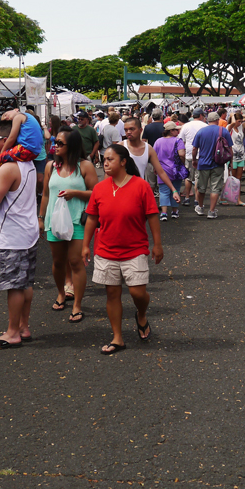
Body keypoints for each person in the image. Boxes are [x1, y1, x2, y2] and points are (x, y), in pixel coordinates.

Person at [82, 144, 163, 354]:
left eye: (110, 159)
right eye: (104, 159)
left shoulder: (141, 186)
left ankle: (141, 314)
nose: (105, 163)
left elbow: (152, 215)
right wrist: (85, 245)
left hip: (135, 249)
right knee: (112, 293)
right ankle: (117, 337)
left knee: (138, 293)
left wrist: (157, 244)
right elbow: (92, 218)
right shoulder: (100, 188)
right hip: (106, 249)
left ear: (123, 161)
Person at [0, 119, 40, 349]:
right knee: (25, 282)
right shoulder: (29, 163)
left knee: (14, 285)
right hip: (27, 231)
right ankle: (23, 326)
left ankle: (12, 332)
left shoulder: (9, 166)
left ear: (7, 140)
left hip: (11, 234)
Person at [39, 128, 98, 323]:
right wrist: (40, 218)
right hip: (53, 221)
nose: (55, 146)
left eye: (60, 143)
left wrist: (76, 193)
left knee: (76, 262)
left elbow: (96, 193)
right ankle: (62, 292)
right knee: (57, 262)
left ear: (71, 145)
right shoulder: (50, 167)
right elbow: (46, 194)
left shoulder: (85, 166)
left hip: (77, 220)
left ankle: (77, 305)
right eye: (55, 142)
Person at [122, 117, 179, 205]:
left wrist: (173, 190)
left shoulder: (148, 149)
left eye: (132, 129)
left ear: (140, 130)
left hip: (138, 192)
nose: (128, 132)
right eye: (126, 130)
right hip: (121, 191)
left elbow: (161, 171)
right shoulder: (120, 147)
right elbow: (109, 173)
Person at [192, 112, 233, 219]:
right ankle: (211, 211)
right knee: (215, 188)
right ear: (218, 119)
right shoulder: (223, 131)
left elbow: (194, 148)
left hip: (203, 163)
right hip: (218, 163)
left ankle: (200, 207)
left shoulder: (201, 131)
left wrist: (194, 160)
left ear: (207, 120)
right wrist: (230, 162)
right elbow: (229, 148)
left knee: (201, 187)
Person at [153, 121, 186, 220]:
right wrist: (182, 163)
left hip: (162, 169)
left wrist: (155, 167)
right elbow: (181, 154)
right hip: (176, 169)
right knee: (176, 189)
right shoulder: (178, 141)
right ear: (171, 131)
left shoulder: (158, 141)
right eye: (176, 129)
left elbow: (154, 155)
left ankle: (163, 213)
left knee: (163, 191)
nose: (178, 131)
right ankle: (174, 211)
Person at [178, 108, 207, 207]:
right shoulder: (205, 126)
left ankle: (186, 197)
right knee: (198, 178)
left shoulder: (186, 126)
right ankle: (196, 199)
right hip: (202, 154)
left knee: (188, 177)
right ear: (200, 116)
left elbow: (181, 140)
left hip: (189, 153)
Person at [226, 113, 245, 207]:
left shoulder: (240, 127)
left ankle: (237, 199)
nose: (239, 123)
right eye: (238, 121)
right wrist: (232, 115)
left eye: (241, 121)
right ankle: (225, 197)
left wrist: (242, 115)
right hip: (232, 156)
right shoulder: (229, 127)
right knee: (232, 178)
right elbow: (233, 122)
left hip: (241, 155)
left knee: (238, 179)